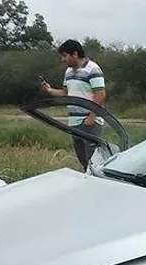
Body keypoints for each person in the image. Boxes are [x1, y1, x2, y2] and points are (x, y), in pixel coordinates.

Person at [40, 39, 107, 170]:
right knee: (83, 162)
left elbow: (100, 94)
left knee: (95, 163)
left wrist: (92, 117)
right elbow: (66, 92)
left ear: (74, 54)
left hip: (89, 122)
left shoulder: (93, 69)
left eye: (65, 55)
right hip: (74, 123)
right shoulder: (68, 72)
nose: (62, 59)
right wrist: (49, 90)